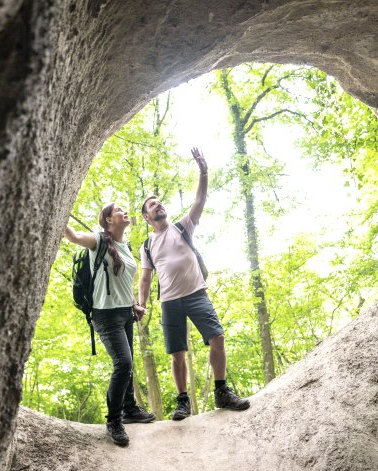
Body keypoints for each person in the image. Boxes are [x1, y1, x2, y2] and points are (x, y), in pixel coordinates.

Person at [139, 147, 250, 420]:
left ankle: (222, 392)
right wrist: (140, 305)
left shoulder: (182, 227)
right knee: (177, 354)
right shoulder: (147, 245)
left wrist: (203, 171)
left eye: (159, 202)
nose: (158, 205)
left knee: (218, 338)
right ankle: (182, 402)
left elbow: (200, 199)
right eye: (152, 205)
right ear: (146, 217)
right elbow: (145, 277)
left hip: (196, 294)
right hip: (169, 302)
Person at [64, 203, 155, 447]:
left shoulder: (124, 245)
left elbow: (122, 282)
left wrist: (134, 303)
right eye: (119, 210)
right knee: (123, 363)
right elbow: (73, 237)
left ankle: (129, 408)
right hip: (105, 316)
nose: (125, 212)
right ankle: (114, 421)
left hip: (125, 313)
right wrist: (58, 210)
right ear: (108, 220)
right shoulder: (98, 240)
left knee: (129, 364)